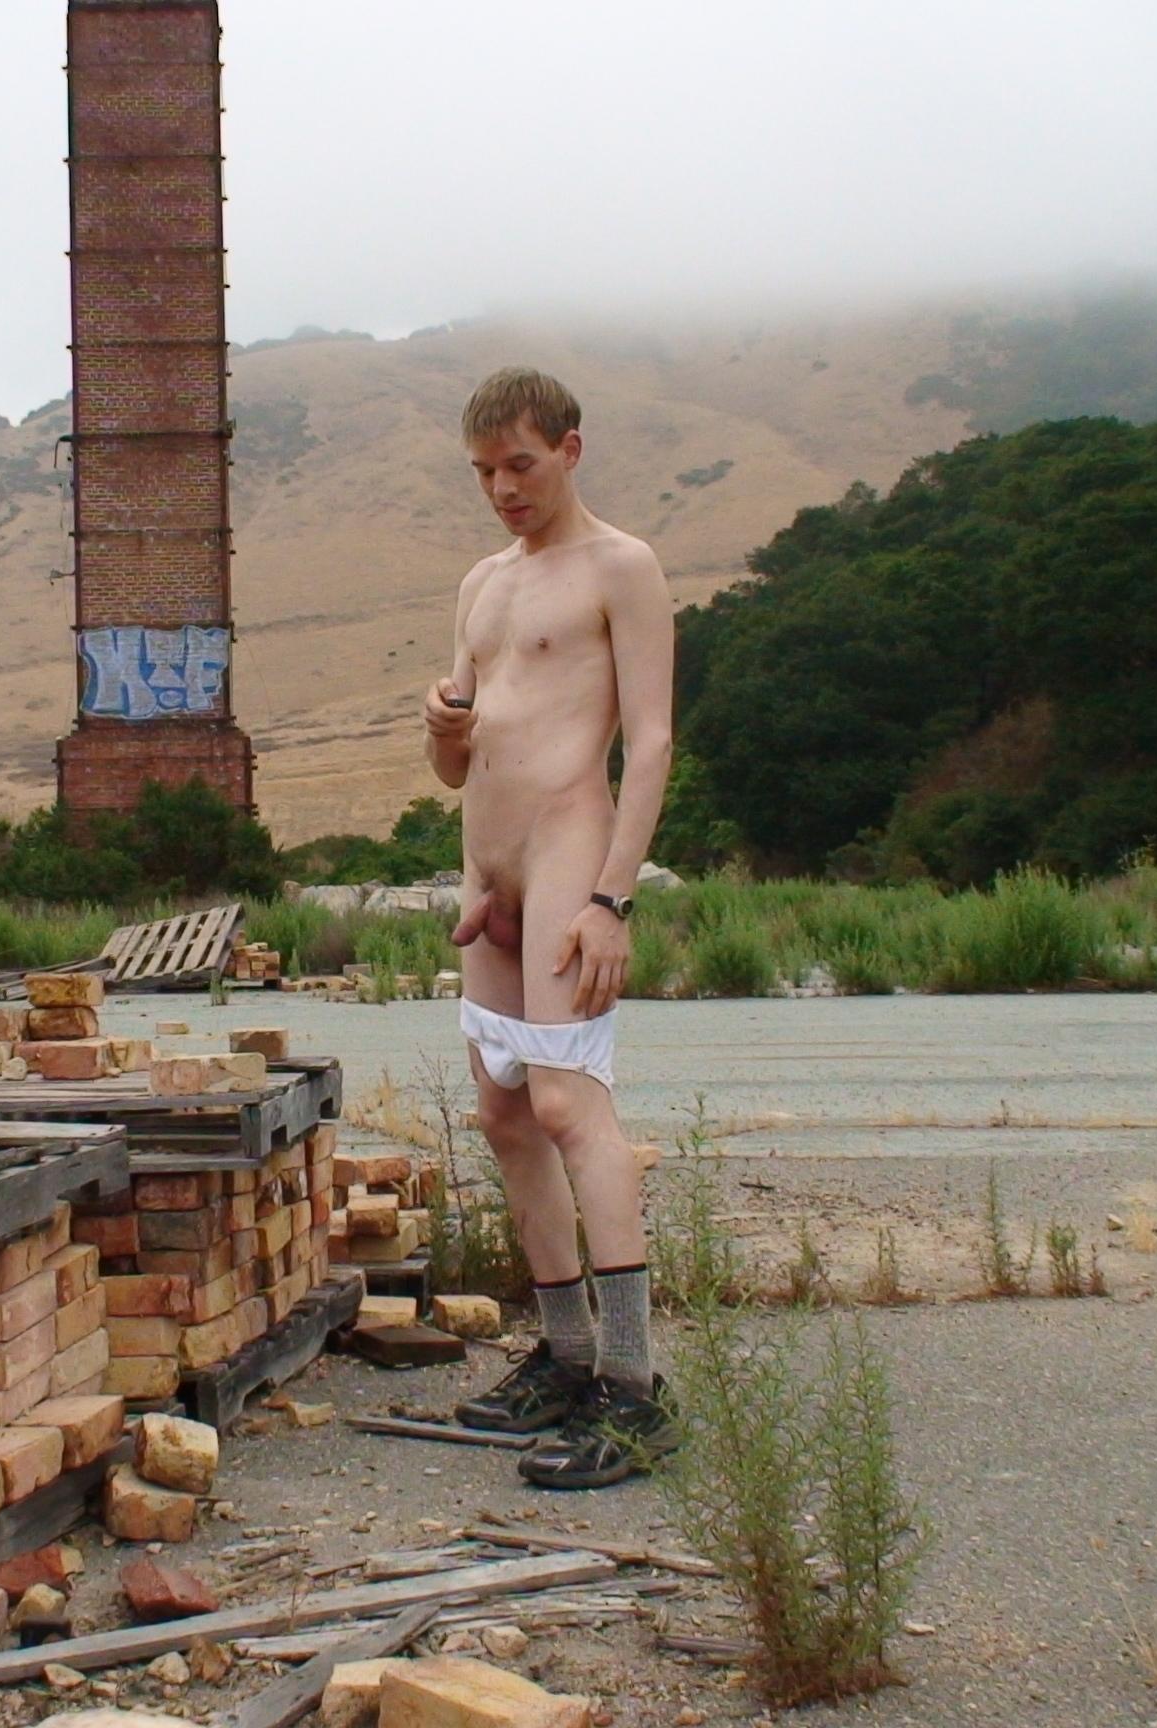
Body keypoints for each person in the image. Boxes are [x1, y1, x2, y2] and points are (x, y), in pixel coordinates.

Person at [422, 366, 677, 1489]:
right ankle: (566, 1357)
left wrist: (614, 899)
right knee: (505, 1114)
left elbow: (652, 741)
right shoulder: (481, 584)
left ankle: (633, 1388)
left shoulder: (622, 566)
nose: (503, 490)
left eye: (520, 465)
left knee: (571, 1105)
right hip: (490, 867)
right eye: (484, 472)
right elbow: (455, 763)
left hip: (574, 851)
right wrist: (439, 729)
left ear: (570, 449)